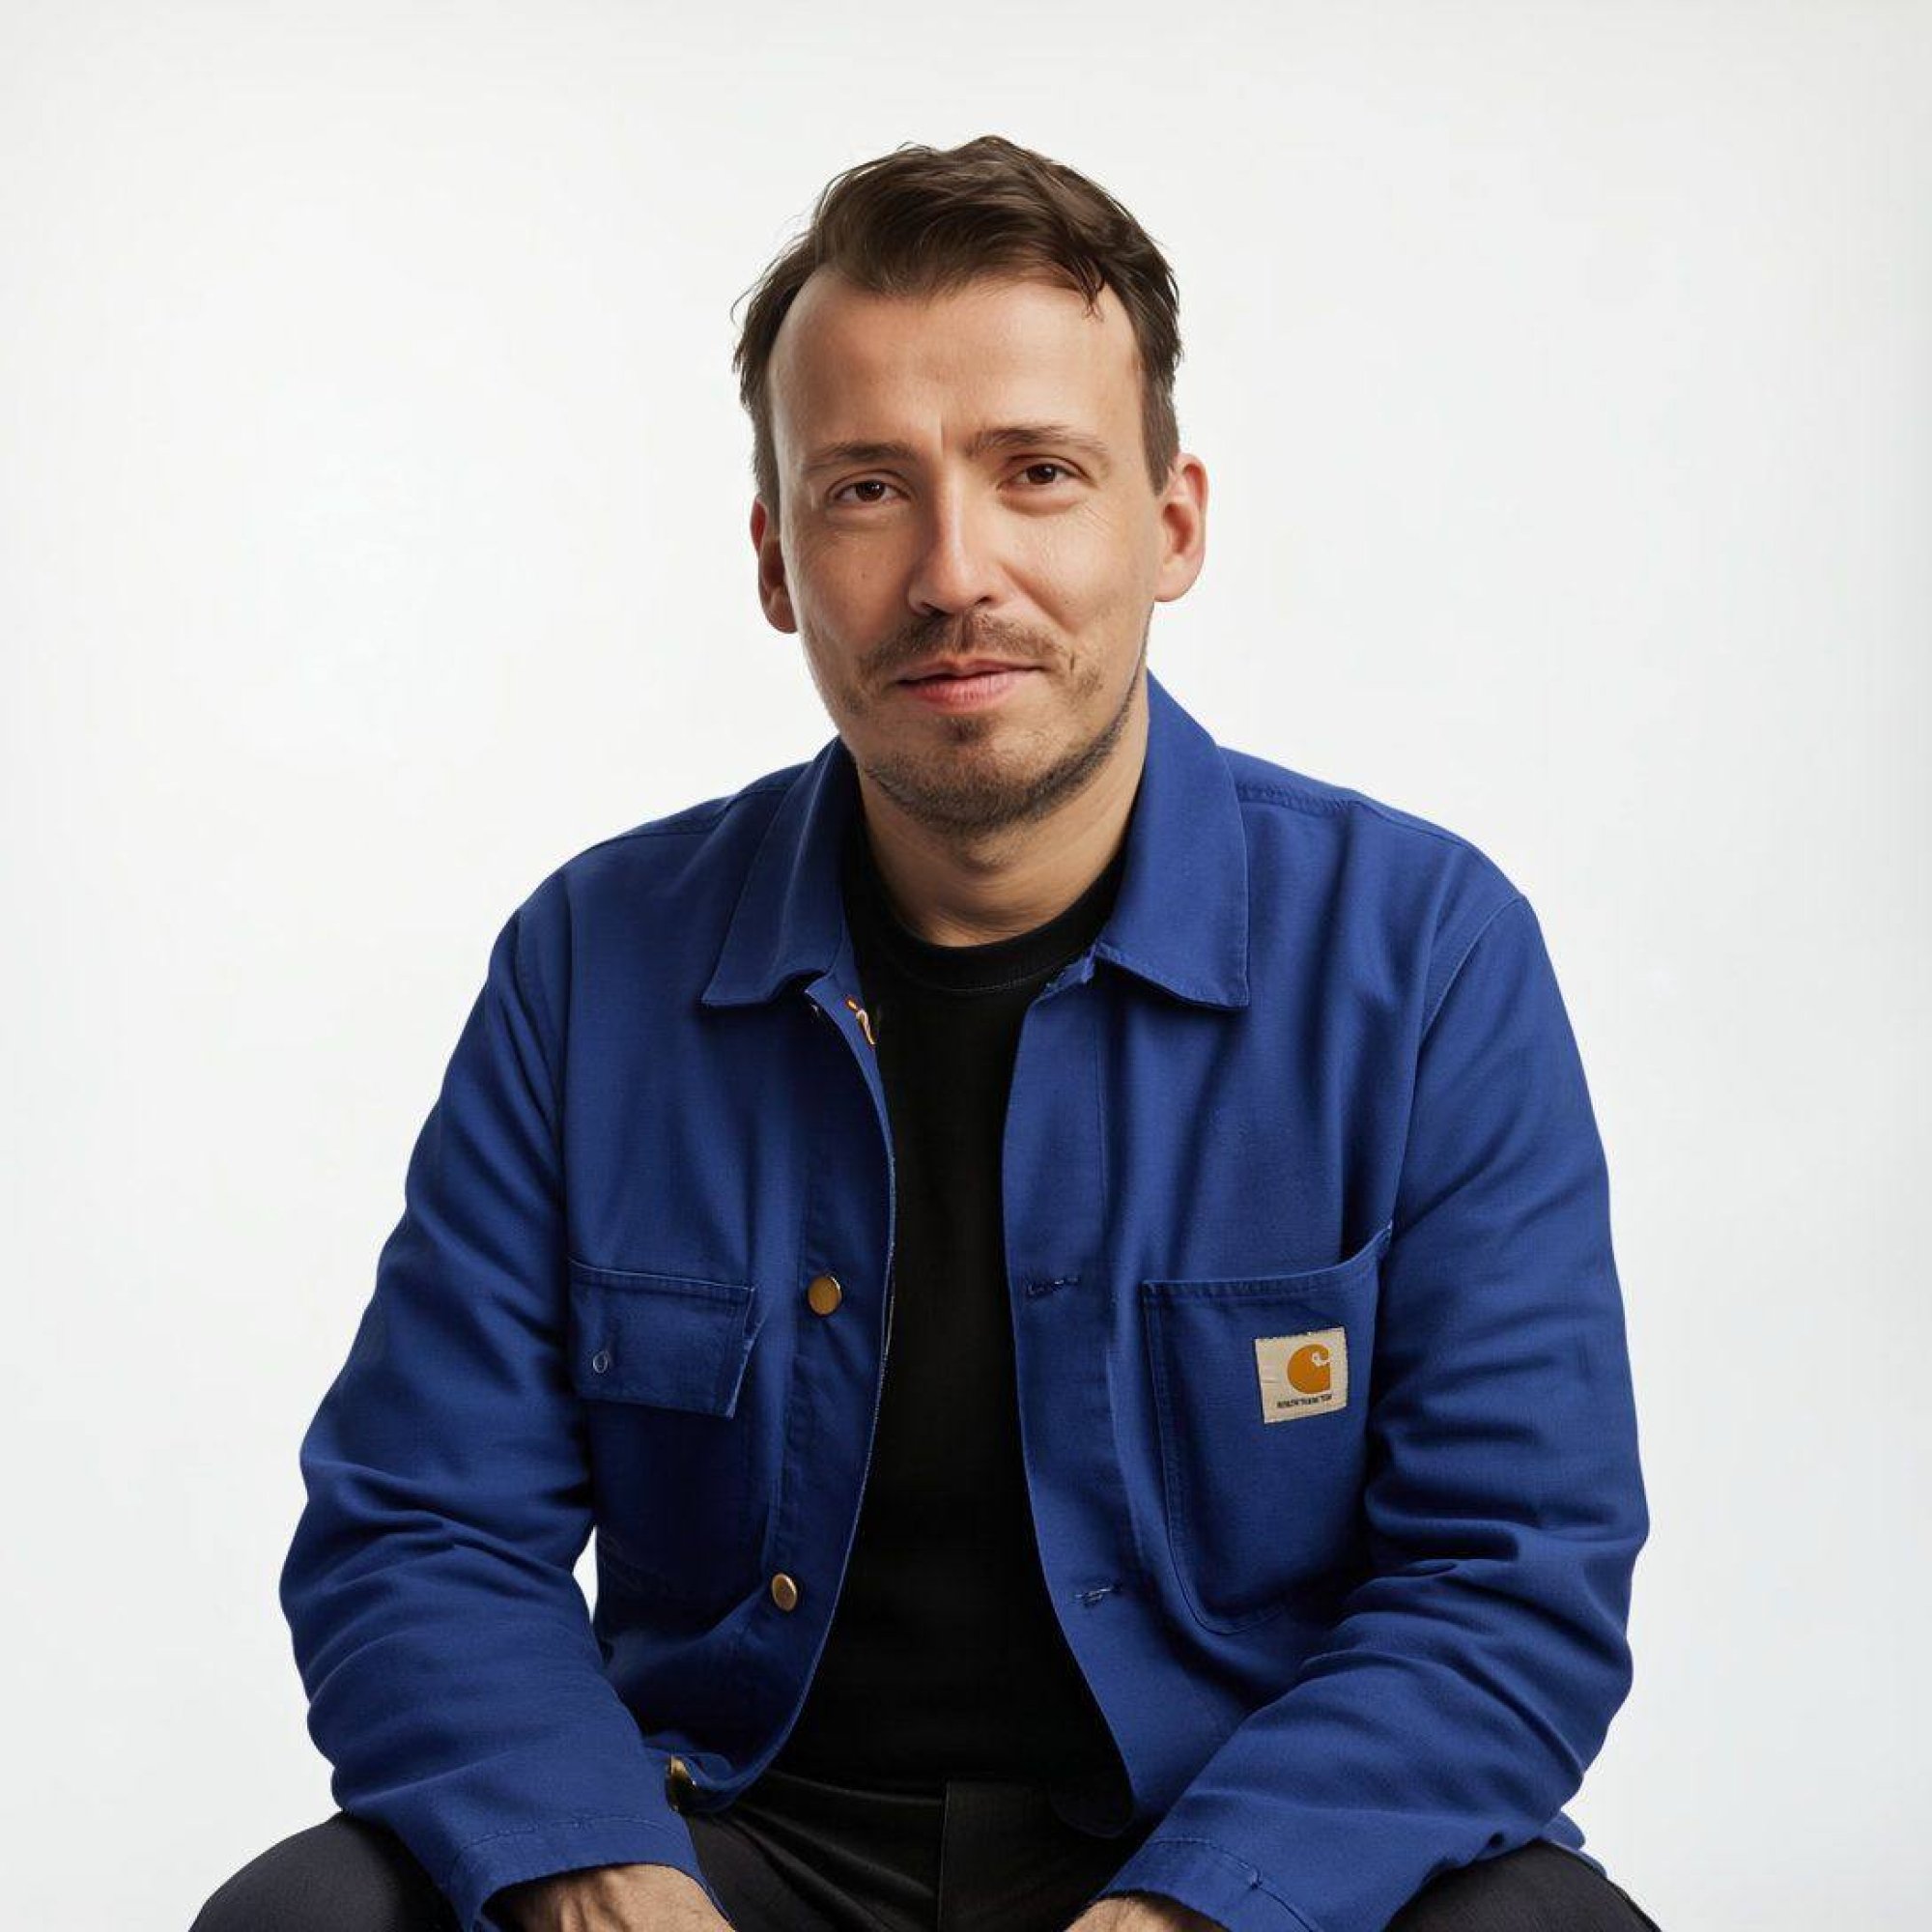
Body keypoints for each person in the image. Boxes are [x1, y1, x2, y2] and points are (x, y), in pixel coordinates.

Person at [191, 135, 1661, 1932]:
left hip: (1235, 1841)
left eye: (1037, 472)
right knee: (311, 1918)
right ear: (776, 557)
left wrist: (1205, 1910)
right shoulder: (594, 962)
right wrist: (593, 1867)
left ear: (1171, 523)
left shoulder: (1421, 956)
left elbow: (1510, 1579)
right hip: (734, 1834)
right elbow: (421, 1530)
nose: (956, 572)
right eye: (869, 489)